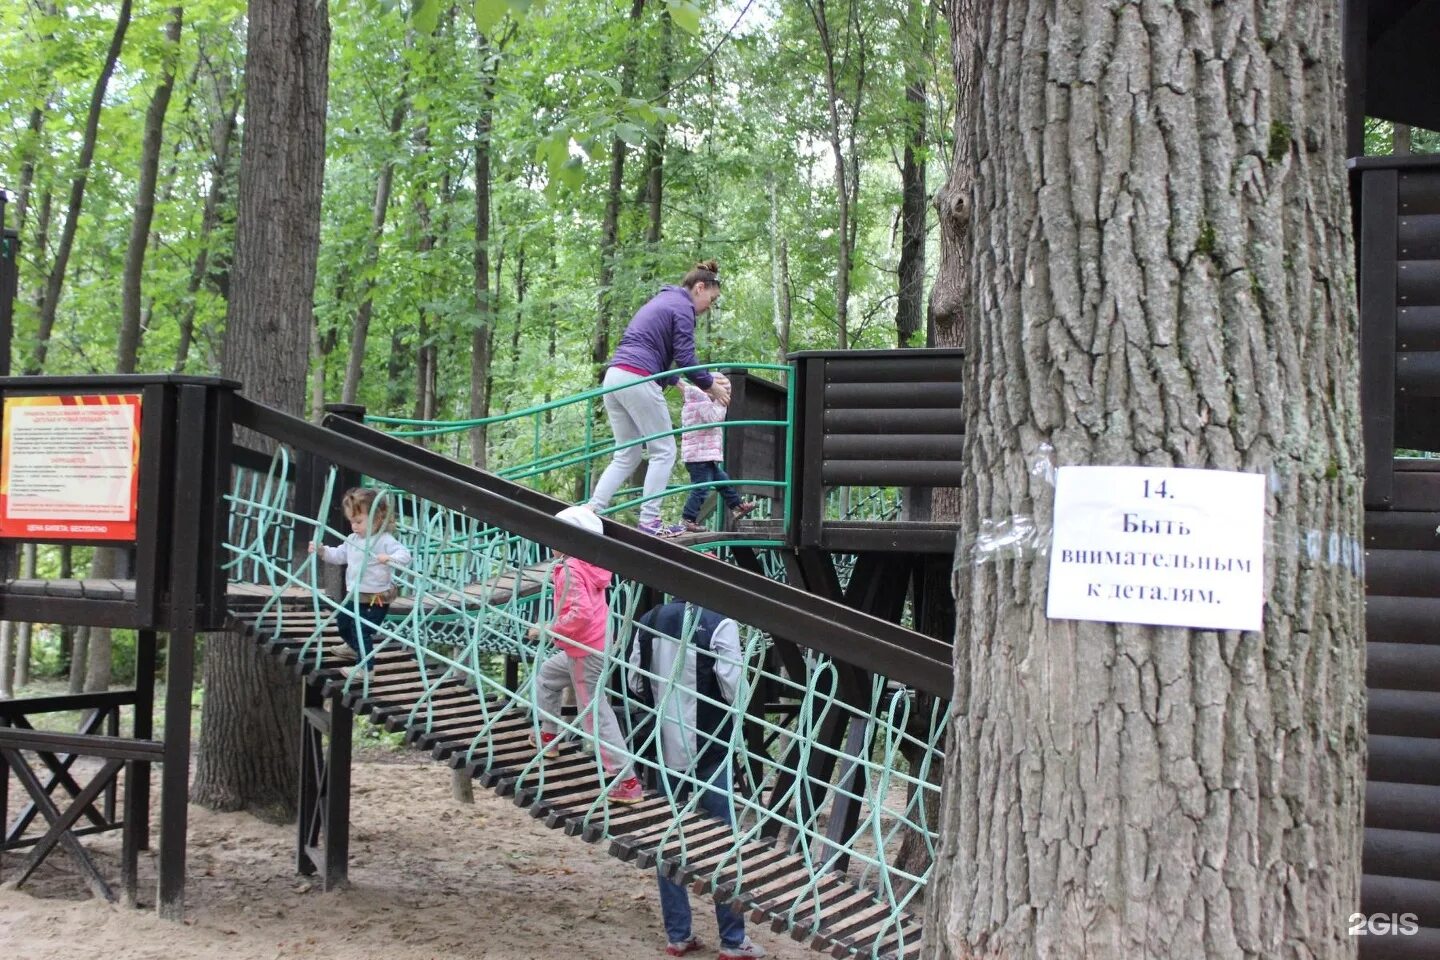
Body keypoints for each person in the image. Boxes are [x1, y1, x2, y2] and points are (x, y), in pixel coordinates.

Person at [628, 602, 766, 959]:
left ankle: (678, 936)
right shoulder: (721, 623)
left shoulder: (649, 620)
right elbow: (735, 686)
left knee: (669, 841)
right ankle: (733, 941)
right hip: (710, 747)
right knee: (723, 843)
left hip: (664, 747)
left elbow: (635, 681)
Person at [586, 260, 732, 537]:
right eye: (711, 300)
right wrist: (712, 386)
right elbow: (686, 356)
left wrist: (678, 382)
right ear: (699, 288)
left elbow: (654, 348)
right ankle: (650, 521)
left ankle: (593, 508)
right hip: (639, 377)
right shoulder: (683, 308)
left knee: (627, 452)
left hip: (615, 376)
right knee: (664, 451)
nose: (708, 308)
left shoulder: (663, 301)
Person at [527, 505, 644, 803]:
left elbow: (579, 614)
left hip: (584, 650)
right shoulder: (588, 565)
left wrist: (549, 629)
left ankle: (625, 779)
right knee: (547, 677)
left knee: (593, 712)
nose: (550, 542)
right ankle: (550, 735)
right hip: (591, 645)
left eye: (556, 536)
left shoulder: (569, 570)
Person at [309, 487, 411, 670]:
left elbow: (405, 556)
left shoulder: (384, 540)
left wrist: (390, 559)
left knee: (361, 629)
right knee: (343, 623)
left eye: (358, 521)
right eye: (351, 521)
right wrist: (322, 551)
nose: (354, 526)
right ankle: (353, 648)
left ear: (378, 517)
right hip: (354, 595)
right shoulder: (353, 539)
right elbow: (339, 555)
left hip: (376, 598)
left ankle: (366, 669)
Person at [678, 375, 757, 533]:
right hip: (698, 457)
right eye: (724, 393)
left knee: (723, 481)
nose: (725, 397)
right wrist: (721, 403)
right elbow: (714, 418)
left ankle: (737, 506)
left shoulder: (701, 399)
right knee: (701, 488)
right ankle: (688, 518)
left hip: (705, 455)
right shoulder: (699, 402)